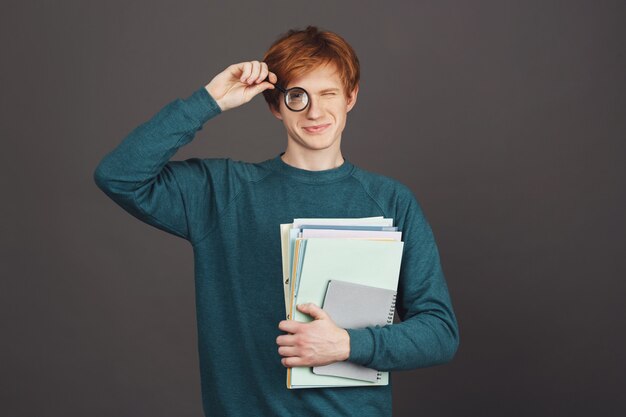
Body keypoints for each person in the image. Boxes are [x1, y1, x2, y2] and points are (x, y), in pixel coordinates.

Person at [94, 25, 459, 417]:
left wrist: (349, 345)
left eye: (328, 94)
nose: (315, 111)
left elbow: (440, 332)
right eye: (297, 96)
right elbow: (119, 175)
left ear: (350, 97)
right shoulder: (223, 193)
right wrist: (209, 100)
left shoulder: (391, 201)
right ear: (275, 105)